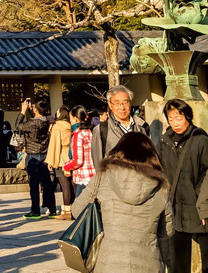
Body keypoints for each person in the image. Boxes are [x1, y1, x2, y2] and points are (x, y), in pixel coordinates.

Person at [72, 132, 171, 273]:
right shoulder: (162, 187)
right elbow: (167, 231)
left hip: (107, 263)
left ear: (119, 152)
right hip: (148, 264)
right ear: (152, 156)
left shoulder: (103, 177)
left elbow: (77, 211)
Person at [156, 98, 208, 273]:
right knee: (178, 260)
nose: (175, 123)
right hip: (175, 206)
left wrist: (205, 204)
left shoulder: (200, 140)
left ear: (187, 116)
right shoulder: (164, 142)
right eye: (171, 118)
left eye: (179, 118)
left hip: (199, 205)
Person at [16, 98, 57, 219]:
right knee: (47, 183)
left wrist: (23, 111)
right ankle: (52, 209)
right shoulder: (46, 121)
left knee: (34, 184)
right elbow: (37, 117)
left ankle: (35, 210)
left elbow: (19, 126)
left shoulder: (33, 123)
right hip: (44, 153)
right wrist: (32, 110)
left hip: (32, 154)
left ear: (37, 110)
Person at [91, 85, 150, 164]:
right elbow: (98, 163)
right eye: (117, 103)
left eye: (125, 102)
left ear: (130, 103)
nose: (122, 107)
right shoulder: (101, 130)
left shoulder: (142, 127)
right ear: (110, 105)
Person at [46, 105, 74, 220]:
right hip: (72, 158)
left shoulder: (57, 127)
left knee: (64, 185)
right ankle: (74, 208)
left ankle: (66, 211)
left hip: (62, 159)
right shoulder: (71, 126)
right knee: (72, 185)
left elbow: (54, 145)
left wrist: (51, 162)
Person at [63, 105, 95, 196]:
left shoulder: (78, 135)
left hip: (83, 178)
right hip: (94, 175)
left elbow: (78, 160)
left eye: (71, 118)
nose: (70, 121)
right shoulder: (90, 132)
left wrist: (66, 167)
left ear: (76, 119)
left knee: (80, 208)